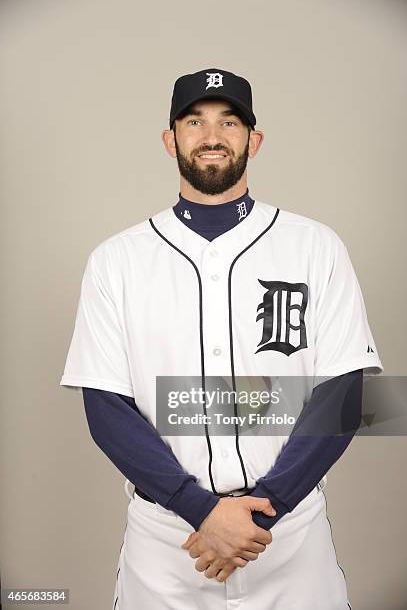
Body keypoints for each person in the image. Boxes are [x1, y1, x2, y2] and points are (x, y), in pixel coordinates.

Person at [60, 67, 383, 610]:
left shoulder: (316, 246)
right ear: (171, 141)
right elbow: (105, 407)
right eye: (194, 121)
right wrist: (202, 512)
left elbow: (348, 393)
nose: (212, 136)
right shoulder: (116, 260)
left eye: (229, 122)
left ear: (254, 140)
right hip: (168, 539)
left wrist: (268, 504)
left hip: (288, 536)